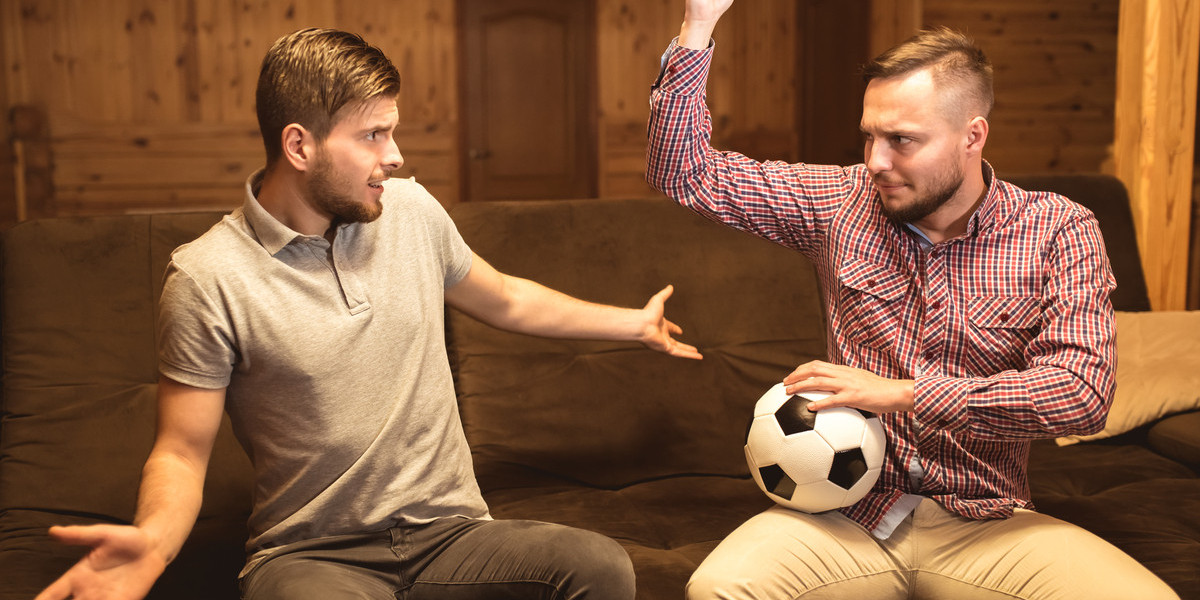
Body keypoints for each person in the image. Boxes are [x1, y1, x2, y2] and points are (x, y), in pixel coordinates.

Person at [37, 27, 702, 600]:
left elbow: (504, 297)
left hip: (452, 538)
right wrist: (155, 541)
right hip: (311, 556)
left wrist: (632, 324)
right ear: (299, 146)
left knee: (597, 567)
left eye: (393, 131)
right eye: (373, 135)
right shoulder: (208, 277)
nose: (396, 155)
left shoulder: (410, 211)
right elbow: (181, 453)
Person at [646, 1, 1179, 599]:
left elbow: (1081, 395)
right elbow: (685, 173)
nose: (877, 161)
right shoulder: (838, 202)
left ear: (973, 135)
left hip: (987, 523)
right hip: (846, 517)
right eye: (870, 136)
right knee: (719, 588)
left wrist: (904, 394)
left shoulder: (1058, 229)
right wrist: (698, 26)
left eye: (902, 140)